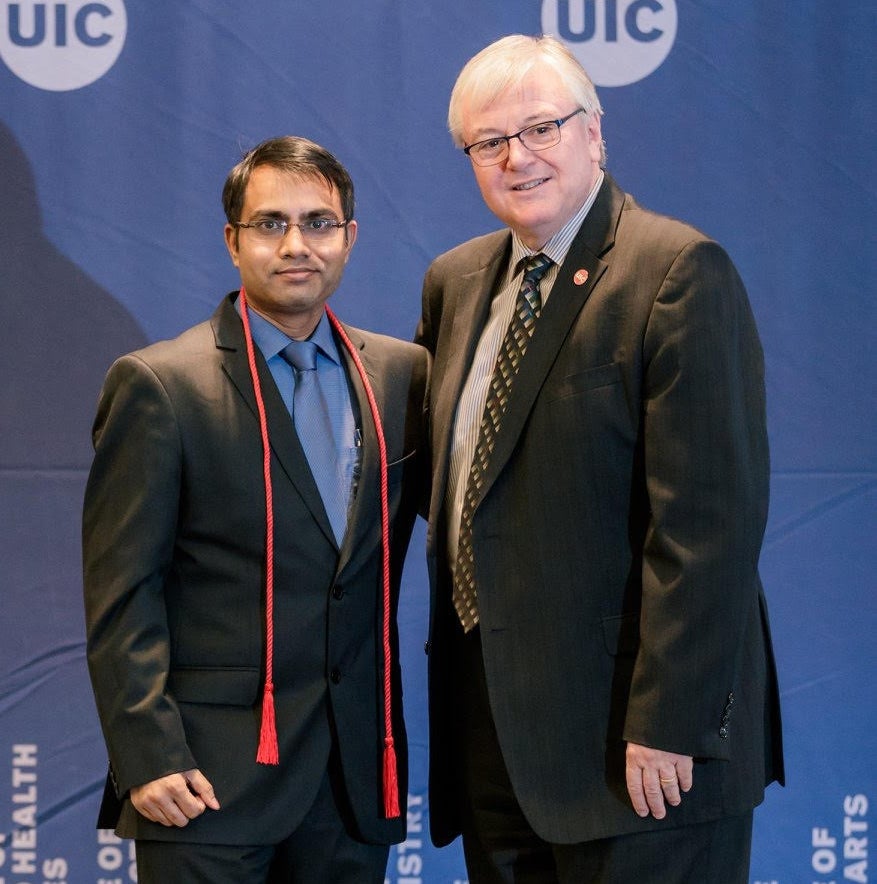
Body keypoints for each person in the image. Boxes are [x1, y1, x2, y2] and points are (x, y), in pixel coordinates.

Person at [416, 34, 784, 883]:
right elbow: (462, 492)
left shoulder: (675, 272)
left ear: (593, 132)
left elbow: (708, 528)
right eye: (488, 142)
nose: (518, 157)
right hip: (494, 746)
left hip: (641, 753)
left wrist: (670, 722)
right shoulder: (456, 282)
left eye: (540, 128)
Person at [83, 135, 428, 883]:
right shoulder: (160, 385)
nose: (296, 244)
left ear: (351, 238)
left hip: (354, 784)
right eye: (271, 223)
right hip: (204, 785)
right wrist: (148, 756)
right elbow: (122, 596)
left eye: (319, 222)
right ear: (232, 241)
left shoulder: (403, 376)